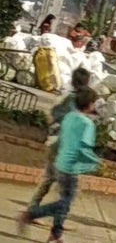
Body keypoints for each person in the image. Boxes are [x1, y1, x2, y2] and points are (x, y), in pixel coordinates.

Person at [18, 87, 99, 243]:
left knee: (64, 202)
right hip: (71, 166)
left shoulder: (69, 117)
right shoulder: (87, 124)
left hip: (60, 161)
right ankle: (31, 214)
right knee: (64, 203)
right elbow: (84, 148)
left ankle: (55, 235)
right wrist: (95, 162)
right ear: (90, 104)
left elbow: (62, 139)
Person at [29, 67, 92, 206]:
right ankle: (54, 218)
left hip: (53, 140)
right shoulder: (77, 102)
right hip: (64, 144)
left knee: (49, 178)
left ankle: (34, 208)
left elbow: (50, 116)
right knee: (66, 182)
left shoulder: (63, 96)